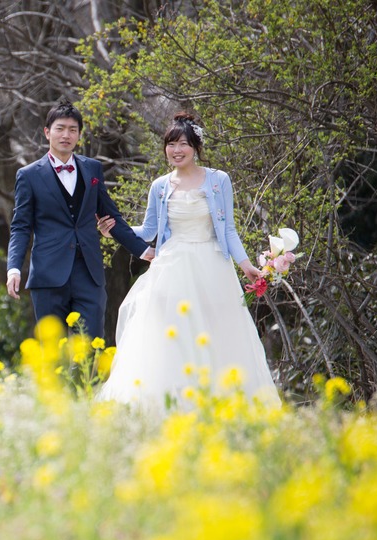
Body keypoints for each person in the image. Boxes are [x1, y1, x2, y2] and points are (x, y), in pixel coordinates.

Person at [95, 111, 278, 408]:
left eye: (183, 144)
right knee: (171, 334)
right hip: (172, 266)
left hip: (212, 265)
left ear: (196, 147)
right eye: (171, 144)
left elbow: (228, 228)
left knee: (216, 333)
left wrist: (246, 265)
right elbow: (150, 230)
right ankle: (172, 403)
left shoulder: (219, 181)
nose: (176, 151)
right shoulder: (160, 186)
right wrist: (114, 230)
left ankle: (219, 401)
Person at [7, 102, 149, 339]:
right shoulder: (29, 175)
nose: (66, 135)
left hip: (89, 272)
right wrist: (14, 268)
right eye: (60, 128)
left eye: (73, 130)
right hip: (48, 275)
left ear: (79, 135)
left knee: (92, 345)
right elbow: (21, 226)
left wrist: (143, 250)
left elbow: (110, 216)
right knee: (55, 352)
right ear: (47, 132)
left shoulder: (92, 169)